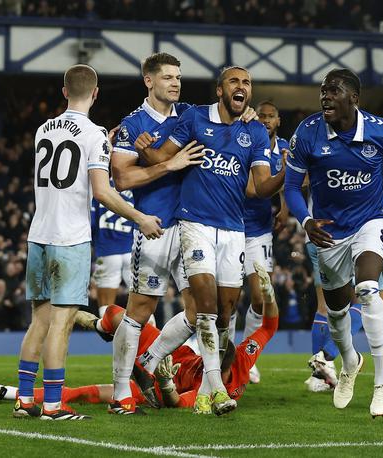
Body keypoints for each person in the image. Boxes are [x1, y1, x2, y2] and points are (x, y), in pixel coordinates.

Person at [15, 64, 163, 421]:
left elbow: (71, 149)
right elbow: (101, 190)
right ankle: (52, 405)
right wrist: (140, 217)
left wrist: (102, 142)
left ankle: (23, 400)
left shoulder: (42, 130)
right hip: (70, 239)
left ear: (64, 91)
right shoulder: (94, 134)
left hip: (39, 236)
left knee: (39, 321)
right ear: (95, 94)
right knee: (61, 324)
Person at [132, 65, 282, 416]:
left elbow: (260, 187)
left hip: (234, 230)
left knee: (225, 315)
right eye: (234, 81)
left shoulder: (255, 133)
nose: (241, 86)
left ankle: (148, 362)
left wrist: (286, 174)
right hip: (195, 223)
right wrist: (142, 149)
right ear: (220, 90)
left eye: (246, 82)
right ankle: (215, 389)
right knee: (207, 310)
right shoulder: (196, 119)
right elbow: (163, 157)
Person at [284, 68, 383, 417]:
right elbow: (291, 187)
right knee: (338, 312)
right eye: (323, 91)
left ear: (354, 98)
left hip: (372, 221)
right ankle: (349, 361)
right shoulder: (308, 133)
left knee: (369, 288)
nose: (325, 97)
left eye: (334, 91)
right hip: (329, 231)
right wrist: (306, 220)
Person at [0, 262, 279, 411]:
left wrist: (166, 381)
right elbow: (268, 327)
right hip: (172, 354)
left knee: (85, 393)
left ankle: (6, 391)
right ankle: (100, 326)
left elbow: (175, 403)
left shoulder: (210, 389)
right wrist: (268, 293)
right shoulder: (243, 355)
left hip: (158, 386)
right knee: (119, 314)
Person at [109, 52, 213, 415]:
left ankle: (148, 363)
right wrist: (169, 164)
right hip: (154, 226)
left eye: (178, 77)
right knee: (139, 310)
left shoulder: (189, 114)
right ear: (148, 81)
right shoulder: (132, 125)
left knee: (201, 307)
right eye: (168, 77)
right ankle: (121, 391)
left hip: (191, 227)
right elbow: (121, 178)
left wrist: (246, 114)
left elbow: (223, 118)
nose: (175, 82)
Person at [305, 168, 383, 393]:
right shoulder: (378, 154)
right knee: (371, 297)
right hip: (366, 235)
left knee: (325, 306)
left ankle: (318, 376)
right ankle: (331, 357)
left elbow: (298, 183)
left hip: (319, 233)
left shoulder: (319, 146)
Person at [240, 100, 287, 384]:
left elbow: (292, 184)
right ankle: (223, 353)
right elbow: (252, 188)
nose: (267, 120)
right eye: (263, 116)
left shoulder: (284, 149)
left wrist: (284, 208)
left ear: (278, 120)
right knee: (228, 299)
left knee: (261, 296)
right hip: (232, 227)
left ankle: (247, 354)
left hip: (259, 230)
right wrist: (286, 175)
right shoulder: (248, 141)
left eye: (272, 116)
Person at [90, 184, 134, 312]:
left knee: (105, 305)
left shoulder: (99, 188)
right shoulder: (134, 187)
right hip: (130, 250)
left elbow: (92, 223)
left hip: (107, 249)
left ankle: (108, 332)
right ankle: (149, 330)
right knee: (142, 304)